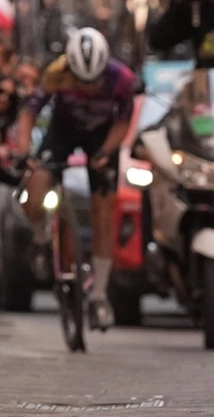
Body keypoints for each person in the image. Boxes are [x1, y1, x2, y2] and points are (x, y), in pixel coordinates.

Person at [13, 27, 136, 332]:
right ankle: (42, 238)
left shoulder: (122, 79)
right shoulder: (55, 73)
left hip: (102, 137)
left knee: (104, 210)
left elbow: (123, 121)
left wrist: (107, 151)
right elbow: (28, 115)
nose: (89, 87)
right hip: (62, 133)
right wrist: (24, 151)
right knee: (36, 185)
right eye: (81, 81)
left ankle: (99, 295)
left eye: (94, 81)